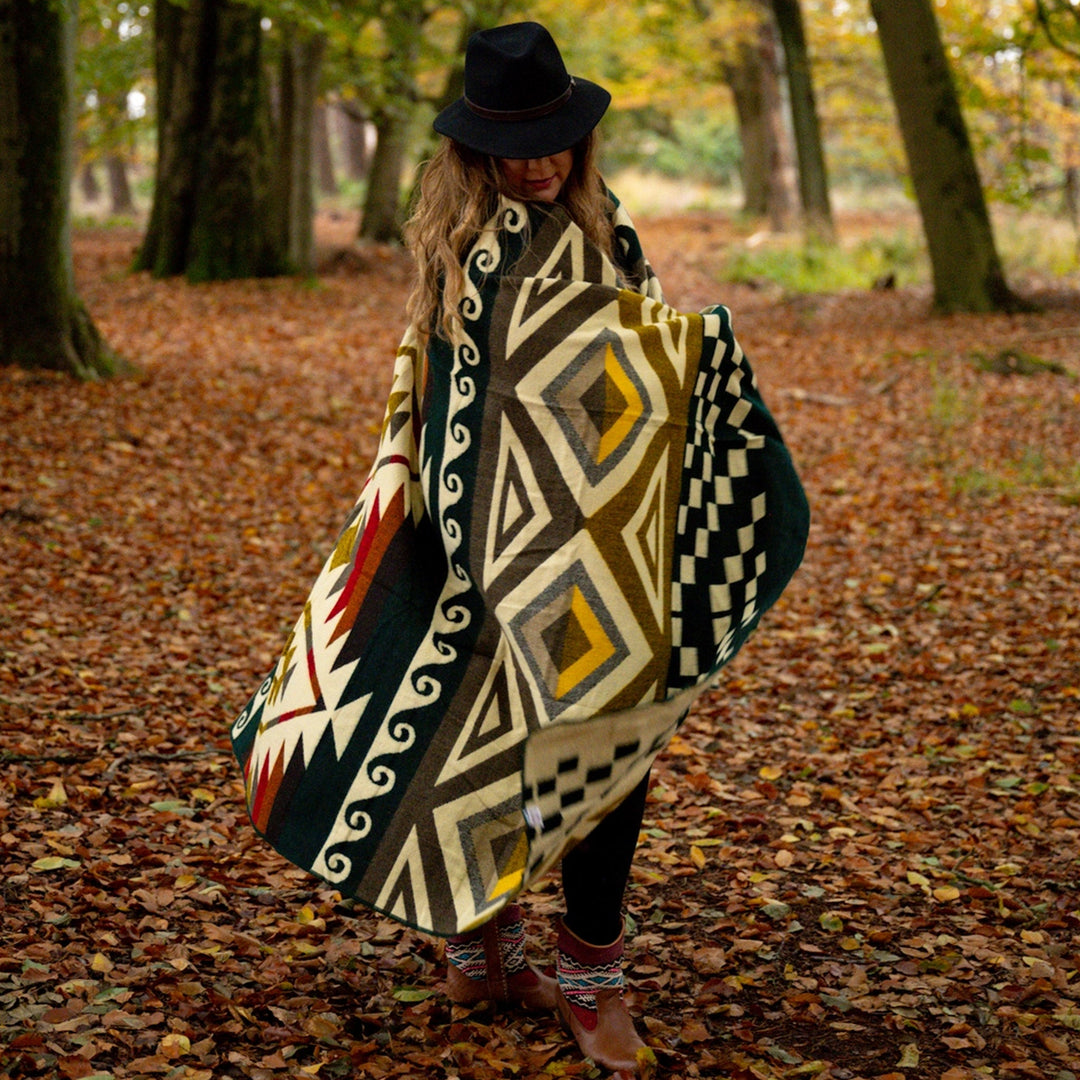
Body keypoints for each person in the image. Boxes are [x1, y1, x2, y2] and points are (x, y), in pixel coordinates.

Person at [231, 20, 809, 1079]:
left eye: (553, 140)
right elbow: (458, 401)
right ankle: (479, 942)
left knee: (606, 727)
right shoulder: (470, 251)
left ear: (579, 141)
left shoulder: (608, 232)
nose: (537, 162)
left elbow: (634, 370)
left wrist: (697, 353)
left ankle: (589, 966)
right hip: (474, 543)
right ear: (474, 152)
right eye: (513, 145)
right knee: (473, 739)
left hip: (600, 545)